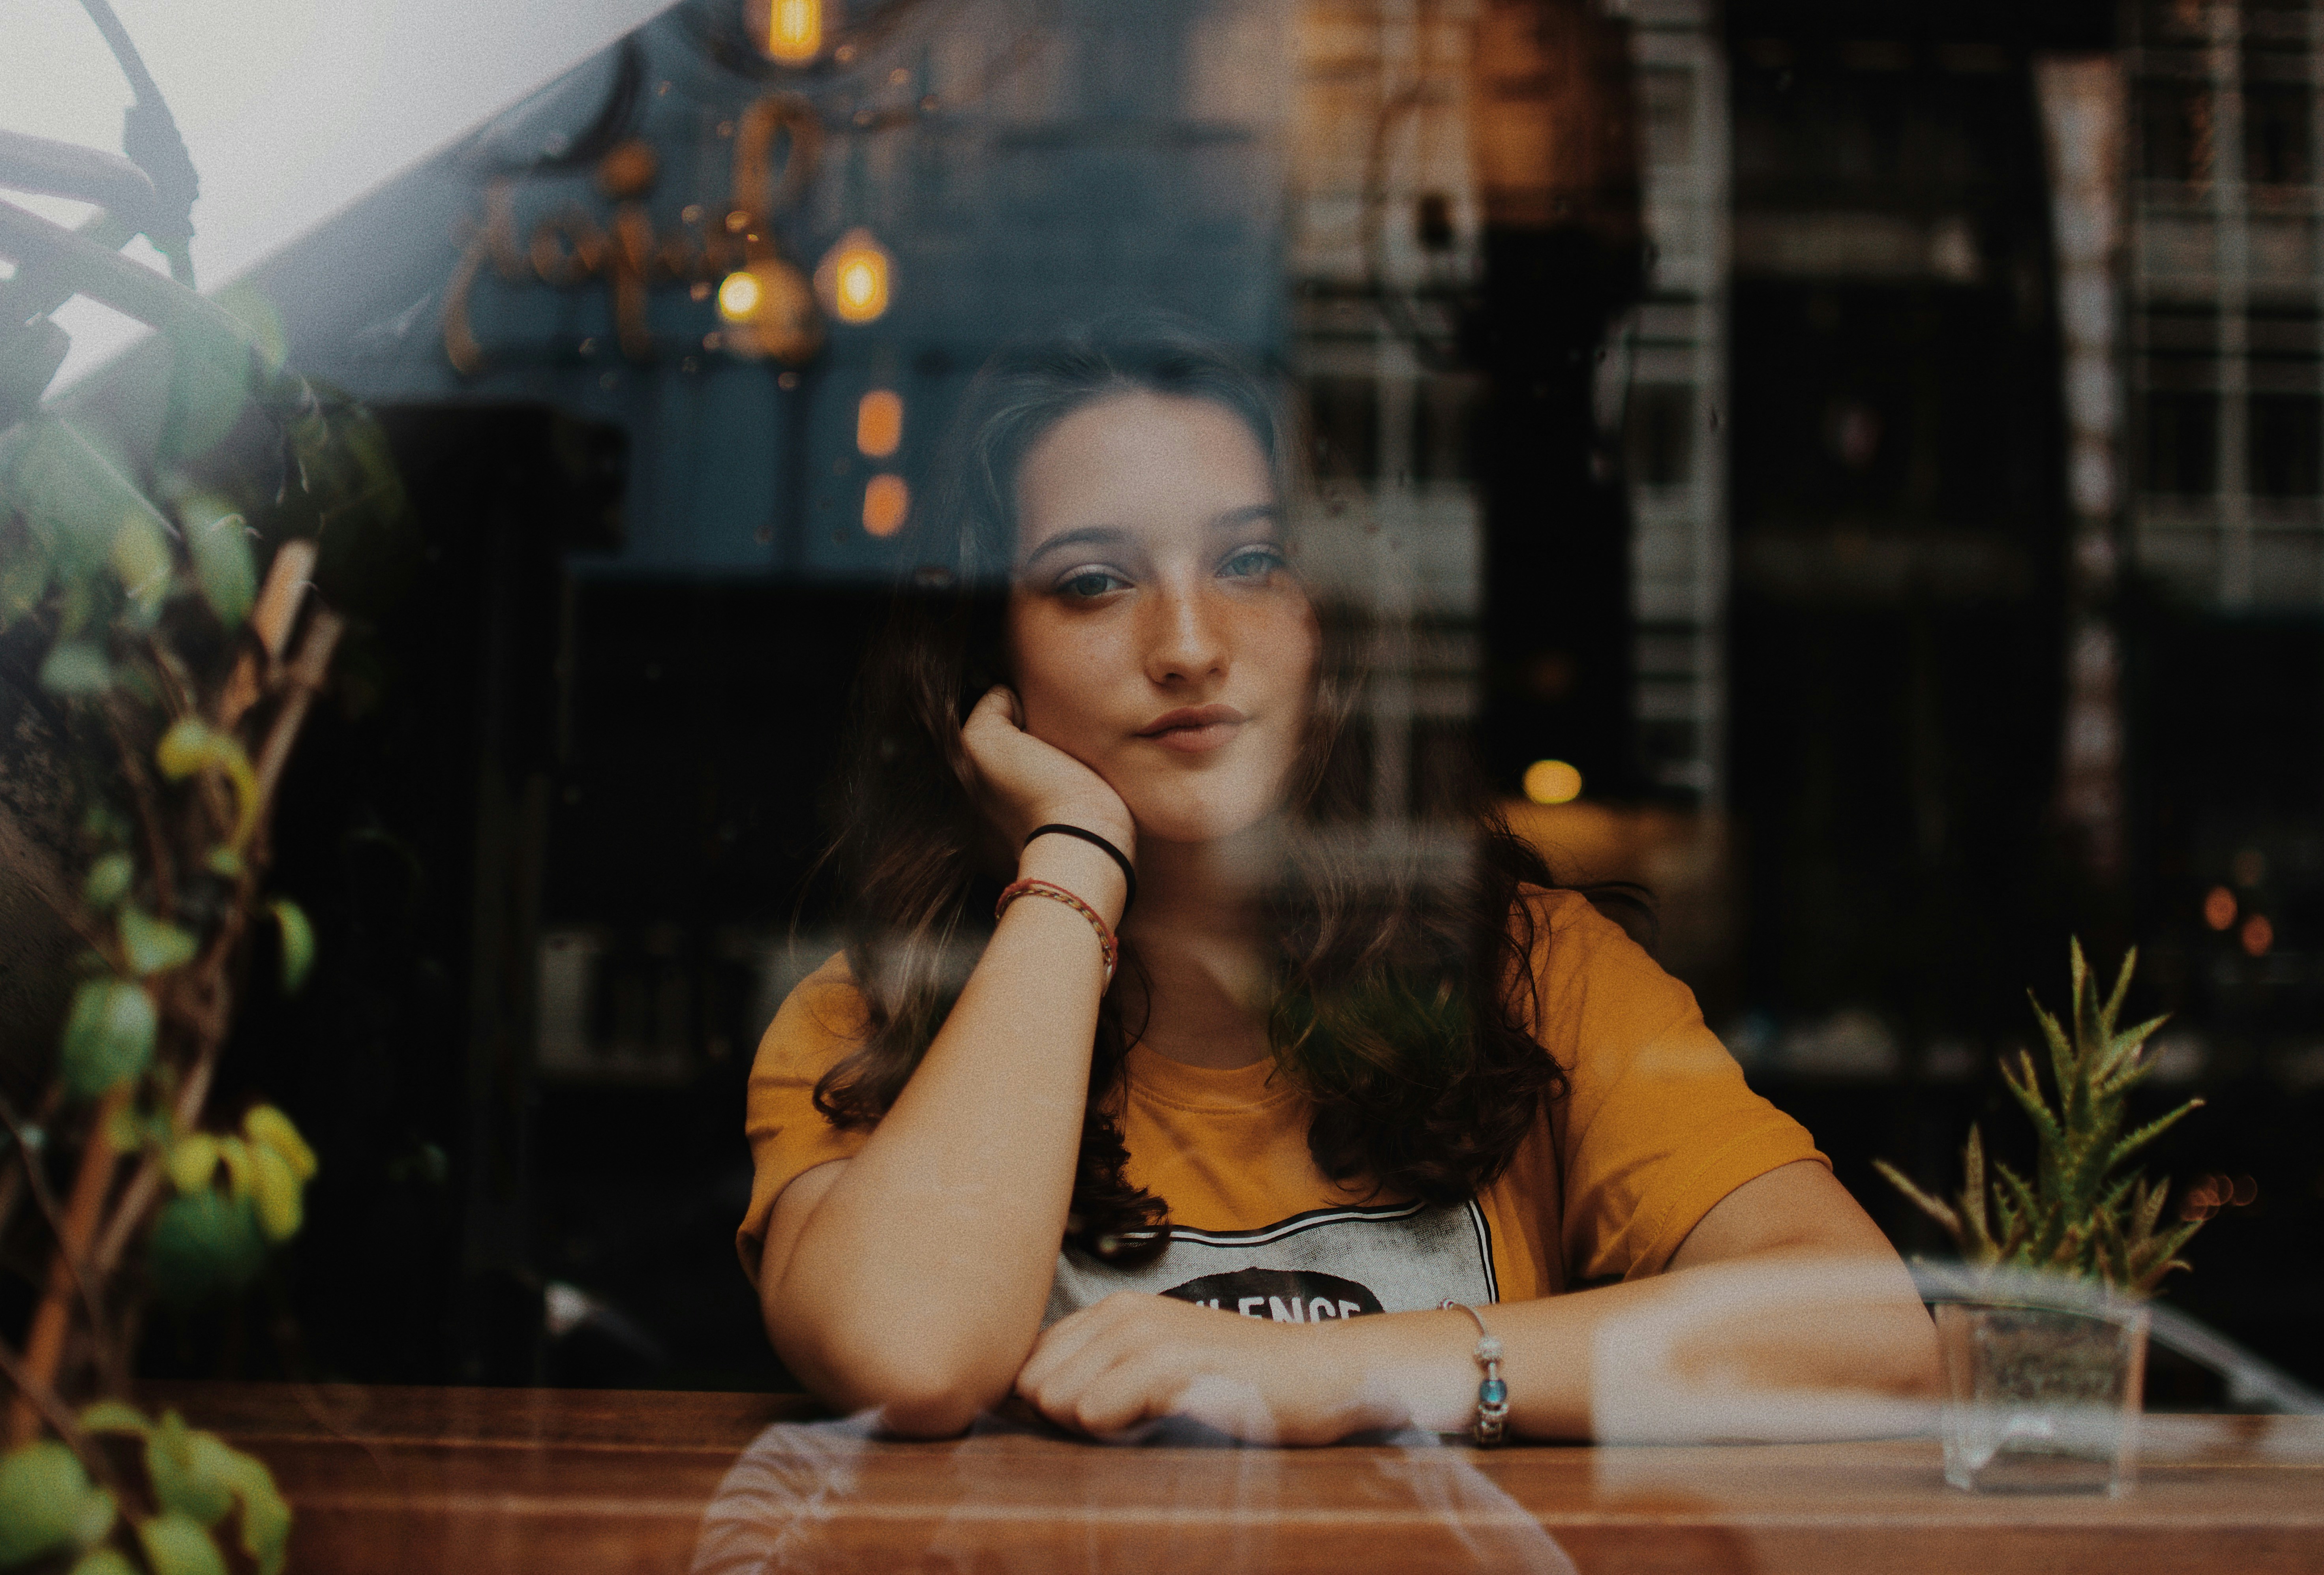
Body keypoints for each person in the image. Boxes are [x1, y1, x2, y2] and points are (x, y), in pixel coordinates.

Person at [739, 318, 1941, 1444]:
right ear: (989, 656)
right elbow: (912, 1356)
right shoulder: (876, 1019)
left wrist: (1341, 1371)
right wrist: (1074, 857)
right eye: (1094, 581)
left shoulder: (1534, 974)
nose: (1191, 644)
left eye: (1252, 561)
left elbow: (1868, 1342)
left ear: (1329, 620)